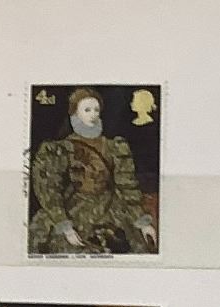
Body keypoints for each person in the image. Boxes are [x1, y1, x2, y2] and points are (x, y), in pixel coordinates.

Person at [29, 89, 157, 255]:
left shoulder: (114, 146)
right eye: (87, 110)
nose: (93, 114)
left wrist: (142, 222)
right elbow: (48, 189)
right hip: (74, 209)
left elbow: (127, 186)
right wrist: (65, 226)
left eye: (96, 110)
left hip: (112, 208)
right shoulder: (60, 149)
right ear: (75, 113)